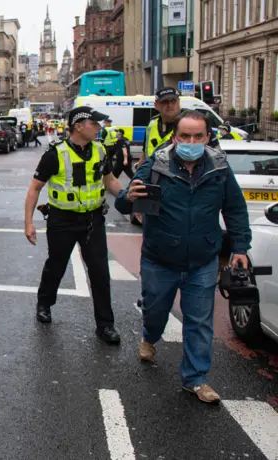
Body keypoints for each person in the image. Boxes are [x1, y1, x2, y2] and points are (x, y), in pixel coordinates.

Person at [115, 111, 251, 403]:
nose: (191, 141)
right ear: (174, 137)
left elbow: (235, 210)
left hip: (203, 258)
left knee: (199, 321)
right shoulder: (154, 165)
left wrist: (240, 248)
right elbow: (125, 203)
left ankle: (196, 379)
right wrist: (127, 198)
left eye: (198, 136)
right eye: (185, 136)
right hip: (160, 259)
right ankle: (150, 337)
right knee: (156, 311)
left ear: (207, 137)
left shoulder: (219, 168)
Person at [24, 106, 124, 344]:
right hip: (62, 220)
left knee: (100, 272)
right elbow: (35, 188)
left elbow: (110, 180)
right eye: (94, 123)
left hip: (93, 220)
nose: (99, 127)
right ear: (79, 126)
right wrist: (29, 223)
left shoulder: (100, 150)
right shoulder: (55, 154)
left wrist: (127, 197)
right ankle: (44, 303)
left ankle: (105, 325)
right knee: (56, 266)